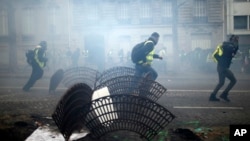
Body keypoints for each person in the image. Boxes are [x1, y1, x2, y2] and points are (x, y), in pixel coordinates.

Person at [209, 35, 239, 102]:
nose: (237, 41)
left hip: (221, 67)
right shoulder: (229, 46)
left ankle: (213, 96)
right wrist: (222, 62)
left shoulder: (227, 45)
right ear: (232, 39)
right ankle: (224, 94)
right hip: (223, 68)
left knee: (221, 82)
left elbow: (234, 52)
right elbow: (232, 51)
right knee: (233, 80)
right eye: (236, 39)